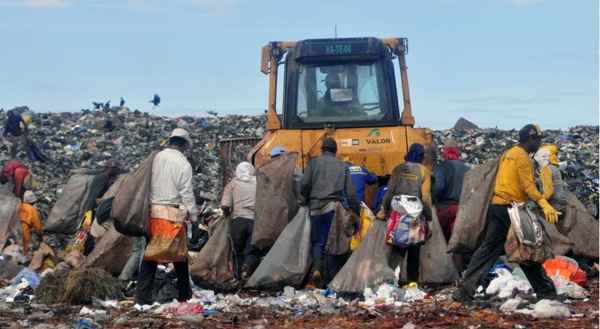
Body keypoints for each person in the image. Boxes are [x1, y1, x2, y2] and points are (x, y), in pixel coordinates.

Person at [452, 124, 559, 303]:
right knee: (526, 249)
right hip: (510, 210)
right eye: (537, 139)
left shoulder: (509, 153)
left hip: (499, 206)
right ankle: (545, 291)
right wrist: (544, 203)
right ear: (529, 139)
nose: (539, 143)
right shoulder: (523, 158)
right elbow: (528, 186)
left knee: (494, 250)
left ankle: (465, 290)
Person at [135, 128, 198, 305]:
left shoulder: (156, 158)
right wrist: (194, 215)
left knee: (151, 255)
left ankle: (142, 297)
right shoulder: (183, 164)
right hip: (171, 216)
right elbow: (186, 192)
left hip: (152, 213)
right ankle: (185, 294)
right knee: (180, 257)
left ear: (171, 141)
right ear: (185, 145)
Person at [300, 137, 360, 287]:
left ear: (322, 149)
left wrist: (305, 199)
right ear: (335, 151)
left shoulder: (313, 163)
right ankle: (329, 280)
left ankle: (317, 270)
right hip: (333, 208)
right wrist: (355, 210)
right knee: (332, 242)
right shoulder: (342, 165)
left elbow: (304, 184)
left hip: (315, 208)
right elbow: (351, 193)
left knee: (317, 242)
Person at [380, 143, 433, 285]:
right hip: (415, 215)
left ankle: (388, 282)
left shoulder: (398, 169)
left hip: (398, 214)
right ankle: (412, 283)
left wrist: (384, 211)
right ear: (421, 157)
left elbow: (389, 193)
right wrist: (429, 218)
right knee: (414, 250)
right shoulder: (423, 171)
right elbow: (426, 197)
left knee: (397, 248)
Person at [221, 161, 258, 280]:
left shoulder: (233, 184)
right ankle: (247, 268)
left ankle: (238, 278)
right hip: (255, 222)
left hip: (238, 221)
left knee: (237, 252)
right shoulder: (258, 183)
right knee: (251, 250)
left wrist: (227, 216)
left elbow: (225, 205)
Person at [432, 139, 470, 242]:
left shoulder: (442, 168)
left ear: (445, 151)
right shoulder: (467, 169)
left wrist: (433, 199)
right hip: (462, 209)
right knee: (457, 243)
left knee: (442, 241)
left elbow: (438, 187)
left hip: (445, 210)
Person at [534, 144, 568, 214]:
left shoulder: (546, 169)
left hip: (554, 206)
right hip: (561, 205)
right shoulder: (554, 168)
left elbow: (548, 193)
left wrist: (538, 200)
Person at [19, 191, 43, 255]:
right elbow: (38, 226)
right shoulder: (32, 210)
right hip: (26, 232)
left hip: (17, 230)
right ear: (33, 201)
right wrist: (40, 235)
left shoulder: (20, 206)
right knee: (27, 247)